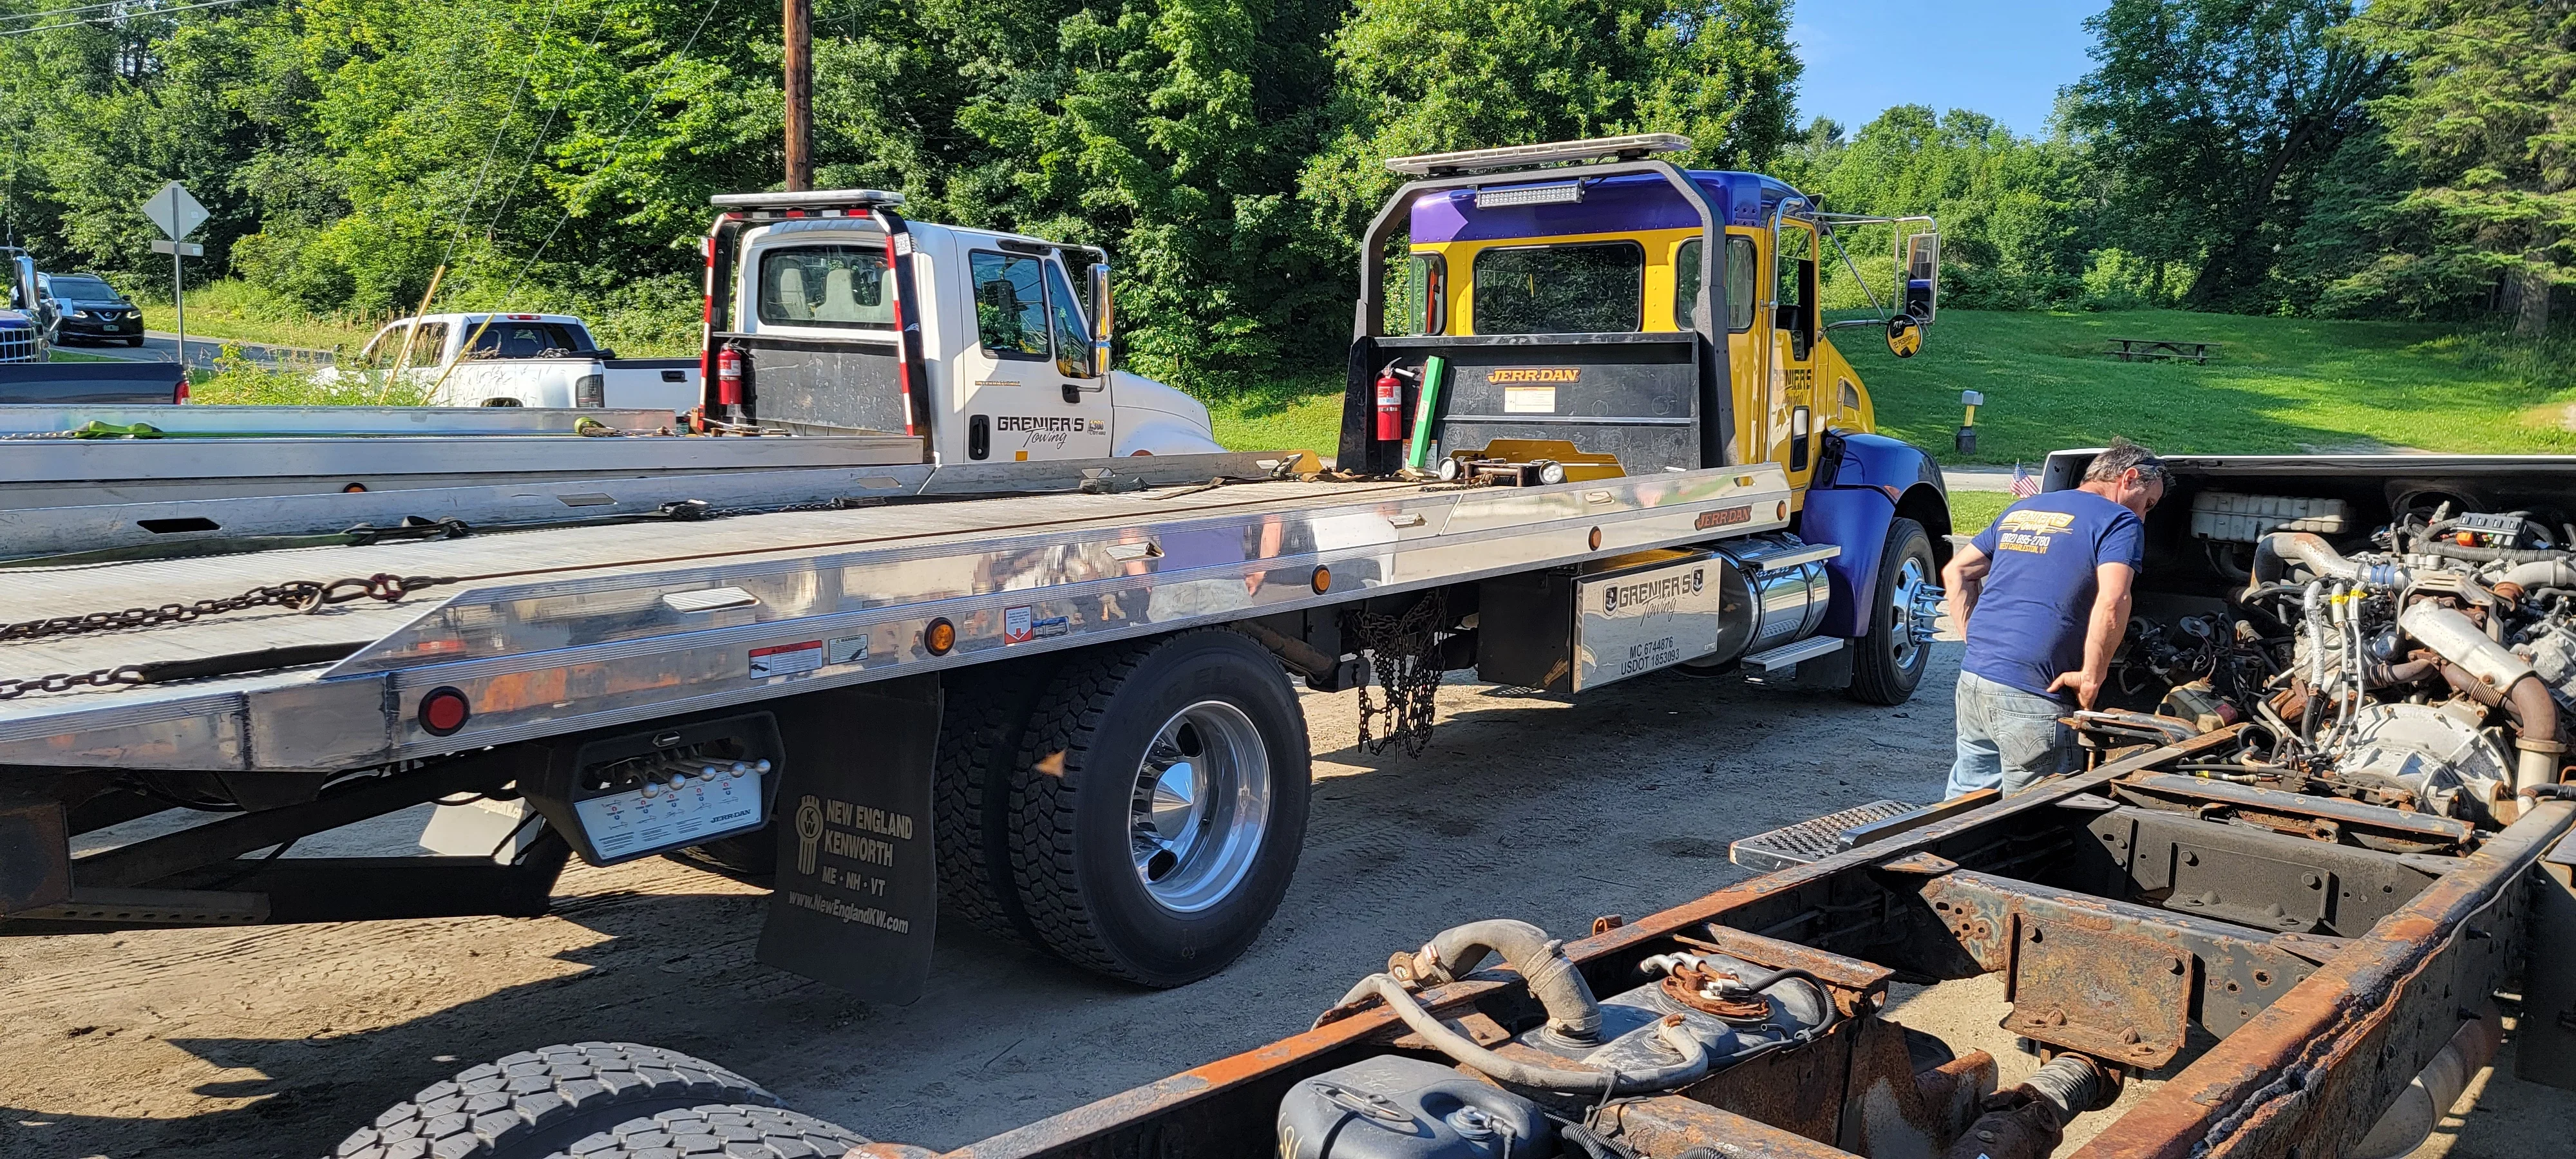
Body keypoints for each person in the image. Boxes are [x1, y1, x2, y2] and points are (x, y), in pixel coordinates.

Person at [1940, 440, 2165, 798]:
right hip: (2036, 690)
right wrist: (2093, 675)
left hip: (1975, 678)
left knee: (1965, 804)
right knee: (2033, 817)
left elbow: (1957, 572)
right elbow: (2114, 598)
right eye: (2148, 504)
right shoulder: (2119, 520)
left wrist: (1976, 639)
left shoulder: (2026, 508)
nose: (2143, 516)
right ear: (2129, 478)